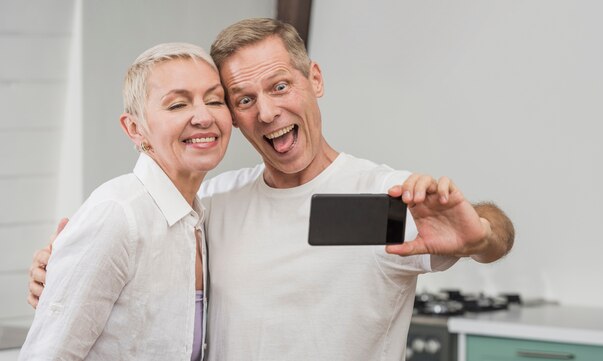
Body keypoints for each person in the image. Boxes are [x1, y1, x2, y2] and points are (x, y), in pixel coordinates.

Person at [28, 18, 514, 360]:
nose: (265, 112)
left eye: (280, 86)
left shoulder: (381, 197)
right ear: (233, 116)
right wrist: (65, 264)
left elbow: (493, 234)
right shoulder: (213, 205)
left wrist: (480, 235)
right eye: (242, 99)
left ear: (314, 79)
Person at [20, 43, 232, 361]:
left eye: (215, 100)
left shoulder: (202, 219)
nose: (203, 116)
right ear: (134, 129)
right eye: (177, 105)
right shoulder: (117, 215)